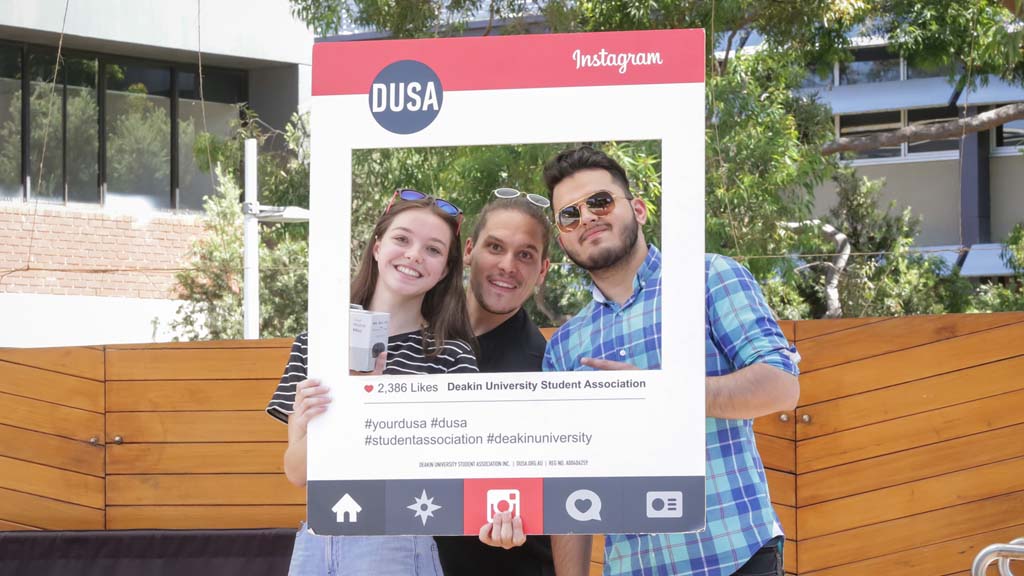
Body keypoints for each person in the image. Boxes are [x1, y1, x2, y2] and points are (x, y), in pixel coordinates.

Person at [540, 146, 800, 576]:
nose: (586, 217)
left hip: (734, 556)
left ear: (638, 209)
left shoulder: (710, 277)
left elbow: (781, 384)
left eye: (600, 201)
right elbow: (570, 481)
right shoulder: (565, 346)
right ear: (563, 236)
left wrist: (659, 392)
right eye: (569, 214)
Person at [265, 189, 479, 576]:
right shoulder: (317, 344)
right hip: (317, 540)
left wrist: (369, 402)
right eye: (402, 239)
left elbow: (452, 476)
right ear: (377, 247)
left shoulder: (451, 356)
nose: (414, 254)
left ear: (445, 270)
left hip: (397, 541)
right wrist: (341, 405)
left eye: (433, 249)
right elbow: (297, 473)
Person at [435, 190, 588, 576]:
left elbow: (563, 496)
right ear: (468, 250)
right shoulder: (417, 337)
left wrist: (523, 511)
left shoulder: (546, 369)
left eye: (525, 255)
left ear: (543, 270)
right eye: (495, 247)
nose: (507, 265)